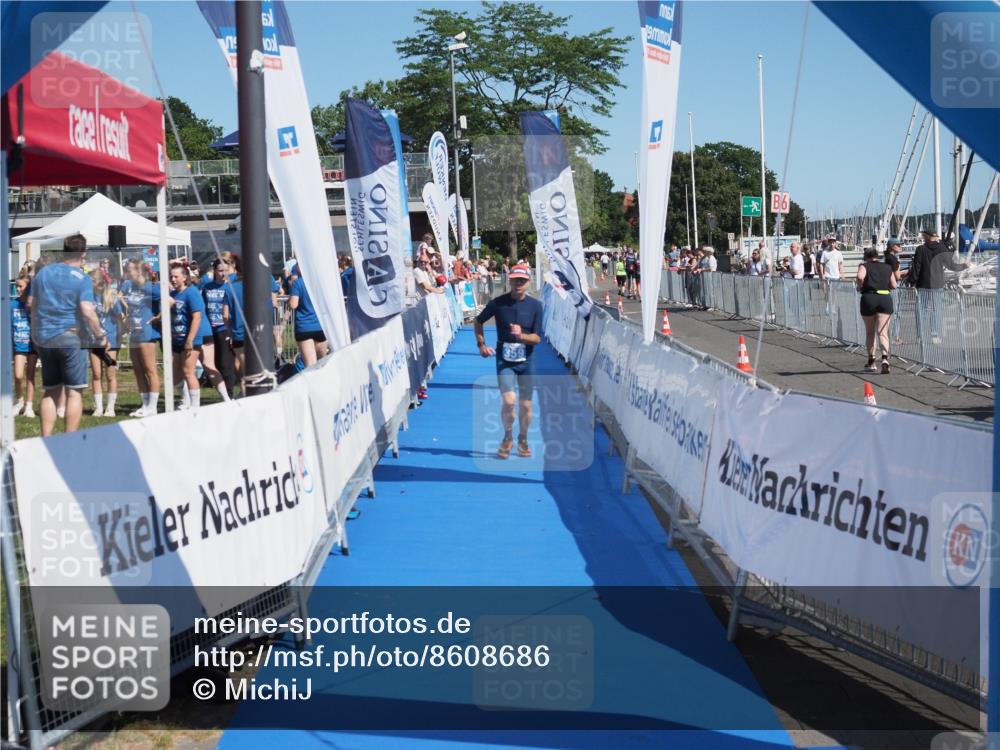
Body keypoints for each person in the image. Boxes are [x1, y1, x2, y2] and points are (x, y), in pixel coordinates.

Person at [29, 234, 108, 436]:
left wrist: (35, 332)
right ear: (84, 253)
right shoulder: (82, 278)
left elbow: (32, 304)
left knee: (50, 390)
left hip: (45, 337)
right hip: (71, 336)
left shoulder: (44, 273)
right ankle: (69, 440)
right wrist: (100, 335)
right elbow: (87, 310)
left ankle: (46, 437)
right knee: (74, 391)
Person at [474, 263, 543, 460]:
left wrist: (522, 336)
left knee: (526, 405)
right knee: (509, 400)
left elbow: (537, 338)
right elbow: (478, 322)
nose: (518, 283)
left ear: (528, 281)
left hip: (527, 360)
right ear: (509, 281)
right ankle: (507, 436)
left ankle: (523, 438)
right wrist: (481, 345)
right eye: (515, 280)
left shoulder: (536, 306)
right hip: (505, 360)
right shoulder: (498, 303)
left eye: (522, 280)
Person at [907, 227, 966, 343]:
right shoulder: (942, 248)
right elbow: (951, 265)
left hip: (923, 284)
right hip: (937, 283)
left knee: (921, 310)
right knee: (937, 310)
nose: (922, 238)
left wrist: (912, 281)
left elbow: (917, 267)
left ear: (927, 237)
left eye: (923, 236)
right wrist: (963, 265)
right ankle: (935, 335)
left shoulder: (921, 249)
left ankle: (921, 336)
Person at [121, 260, 162, 417]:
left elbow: (169, 299)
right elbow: (121, 297)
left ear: (139, 271)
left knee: (150, 370)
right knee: (138, 370)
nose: (127, 272)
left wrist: (158, 316)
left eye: (129, 270)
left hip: (147, 332)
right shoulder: (128, 285)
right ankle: (145, 405)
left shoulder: (150, 288)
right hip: (134, 332)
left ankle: (153, 406)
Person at [84, 269, 125, 417]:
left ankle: (110, 408)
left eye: (90, 281)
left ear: (97, 281)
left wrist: (119, 336)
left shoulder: (110, 296)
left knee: (110, 374)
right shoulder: (88, 296)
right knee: (96, 374)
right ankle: (98, 408)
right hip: (93, 339)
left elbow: (120, 318)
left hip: (111, 340)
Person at [168, 264, 206, 410]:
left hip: (190, 338)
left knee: (188, 372)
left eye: (176, 276)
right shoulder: (174, 294)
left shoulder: (191, 293)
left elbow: (197, 317)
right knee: (175, 375)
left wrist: (190, 339)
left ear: (185, 277)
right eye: (171, 276)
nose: (173, 279)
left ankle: (195, 406)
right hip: (176, 338)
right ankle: (186, 400)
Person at [856, 246, 898, 374]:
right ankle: (885, 358)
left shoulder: (864, 266)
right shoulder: (887, 267)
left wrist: (860, 286)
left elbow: (859, 277)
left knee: (870, 332)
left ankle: (871, 361)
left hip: (869, 298)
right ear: (877, 256)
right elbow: (894, 285)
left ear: (866, 257)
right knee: (883, 332)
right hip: (885, 298)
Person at [202, 258, 237, 396]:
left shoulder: (231, 287)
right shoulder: (207, 287)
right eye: (220, 271)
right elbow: (203, 306)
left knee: (225, 362)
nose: (223, 274)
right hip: (210, 329)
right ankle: (219, 388)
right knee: (213, 362)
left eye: (226, 271)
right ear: (215, 271)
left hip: (225, 328)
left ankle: (229, 392)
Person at [289, 271, 328, 367]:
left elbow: (293, 305)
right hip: (321, 326)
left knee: (311, 366)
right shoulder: (322, 282)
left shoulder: (297, 283)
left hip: (304, 326)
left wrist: (289, 299)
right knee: (322, 365)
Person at [11, 273, 37, 418]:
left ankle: (29, 406)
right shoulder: (12, 304)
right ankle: (19, 401)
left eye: (21, 286)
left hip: (32, 344)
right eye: (16, 286)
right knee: (18, 375)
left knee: (30, 375)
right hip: (18, 345)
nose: (18, 289)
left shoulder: (34, 305)